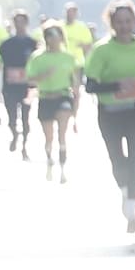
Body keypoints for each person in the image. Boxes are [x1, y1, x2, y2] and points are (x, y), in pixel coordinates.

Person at [82, 0, 135, 234]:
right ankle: (125, 190)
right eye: (119, 22)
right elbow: (90, 86)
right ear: (111, 23)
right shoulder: (101, 50)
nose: (124, 26)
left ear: (134, 22)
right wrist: (116, 86)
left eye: (128, 21)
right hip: (110, 112)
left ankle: (132, 208)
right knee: (117, 159)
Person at [29, 23, 81, 181]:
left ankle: (63, 167)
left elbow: (76, 84)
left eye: (57, 34)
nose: (54, 38)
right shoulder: (38, 57)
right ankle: (49, 160)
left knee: (62, 134)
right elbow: (30, 79)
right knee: (49, 136)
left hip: (63, 96)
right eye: (50, 35)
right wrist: (43, 76)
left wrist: (76, 111)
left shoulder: (69, 58)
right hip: (45, 97)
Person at [0, 12, 39, 160]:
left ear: (26, 23)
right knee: (12, 116)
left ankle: (24, 146)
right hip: (10, 86)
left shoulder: (32, 44)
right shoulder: (6, 44)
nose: (19, 25)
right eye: (17, 22)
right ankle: (14, 133)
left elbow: (38, 64)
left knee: (26, 117)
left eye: (22, 22)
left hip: (27, 86)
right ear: (13, 24)